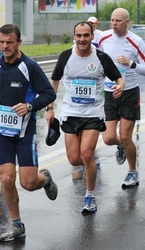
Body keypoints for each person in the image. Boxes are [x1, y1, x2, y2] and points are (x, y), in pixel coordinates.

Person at [0, 24, 58, 242]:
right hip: (2, 130)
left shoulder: (29, 66)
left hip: (24, 132)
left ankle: (45, 180)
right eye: (1, 42)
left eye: (9, 42)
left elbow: (49, 94)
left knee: (28, 183)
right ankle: (17, 225)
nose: (5, 46)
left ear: (19, 42)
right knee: (7, 177)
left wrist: (30, 106)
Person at [46, 21, 124, 213]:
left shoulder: (101, 58)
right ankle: (89, 167)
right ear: (74, 37)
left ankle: (90, 196)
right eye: (78, 35)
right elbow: (54, 80)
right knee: (74, 159)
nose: (82, 39)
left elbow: (118, 78)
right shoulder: (66, 56)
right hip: (70, 113)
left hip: (93, 113)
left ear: (92, 36)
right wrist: (50, 108)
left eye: (86, 35)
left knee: (87, 154)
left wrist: (120, 86)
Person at [98, 8, 145, 188]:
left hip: (129, 92)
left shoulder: (136, 41)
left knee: (125, 135)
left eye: (118, 21)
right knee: (108, 138)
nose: (114, 24)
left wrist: (131, 63)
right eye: (112, 20)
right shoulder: (104, 39)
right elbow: (96, 61)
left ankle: (132, 172)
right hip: (110, 92)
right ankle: (122, 147)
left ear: (127, 22)